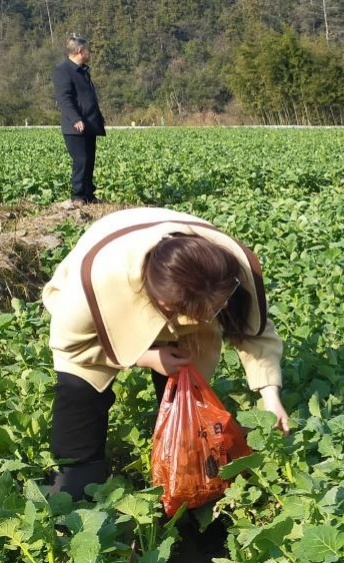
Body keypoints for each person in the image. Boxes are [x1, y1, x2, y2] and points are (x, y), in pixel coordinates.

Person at [42, 207, 291, 501]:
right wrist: (144, 356)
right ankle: (77, 477)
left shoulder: (228, 273)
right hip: (109, 296)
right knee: (79, 394)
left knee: (189, 413)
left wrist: (270, 397)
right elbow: (71, 345)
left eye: (212, 310)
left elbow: (254, 332)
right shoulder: (93, 287)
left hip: (186, 290)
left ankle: (183, 476)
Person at [53, 34, 106, 205]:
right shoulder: (63, 71)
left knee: (89, 160)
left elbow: (87, 98)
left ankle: (89, 195)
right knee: (81, 161)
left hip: (89, 123)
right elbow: (64, 99)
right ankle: (78, 196)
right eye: (88, 49)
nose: (90, 53)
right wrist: (76, 119)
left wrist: (98, 117)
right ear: (80, 51)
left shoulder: (83, 71)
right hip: (74, 127)